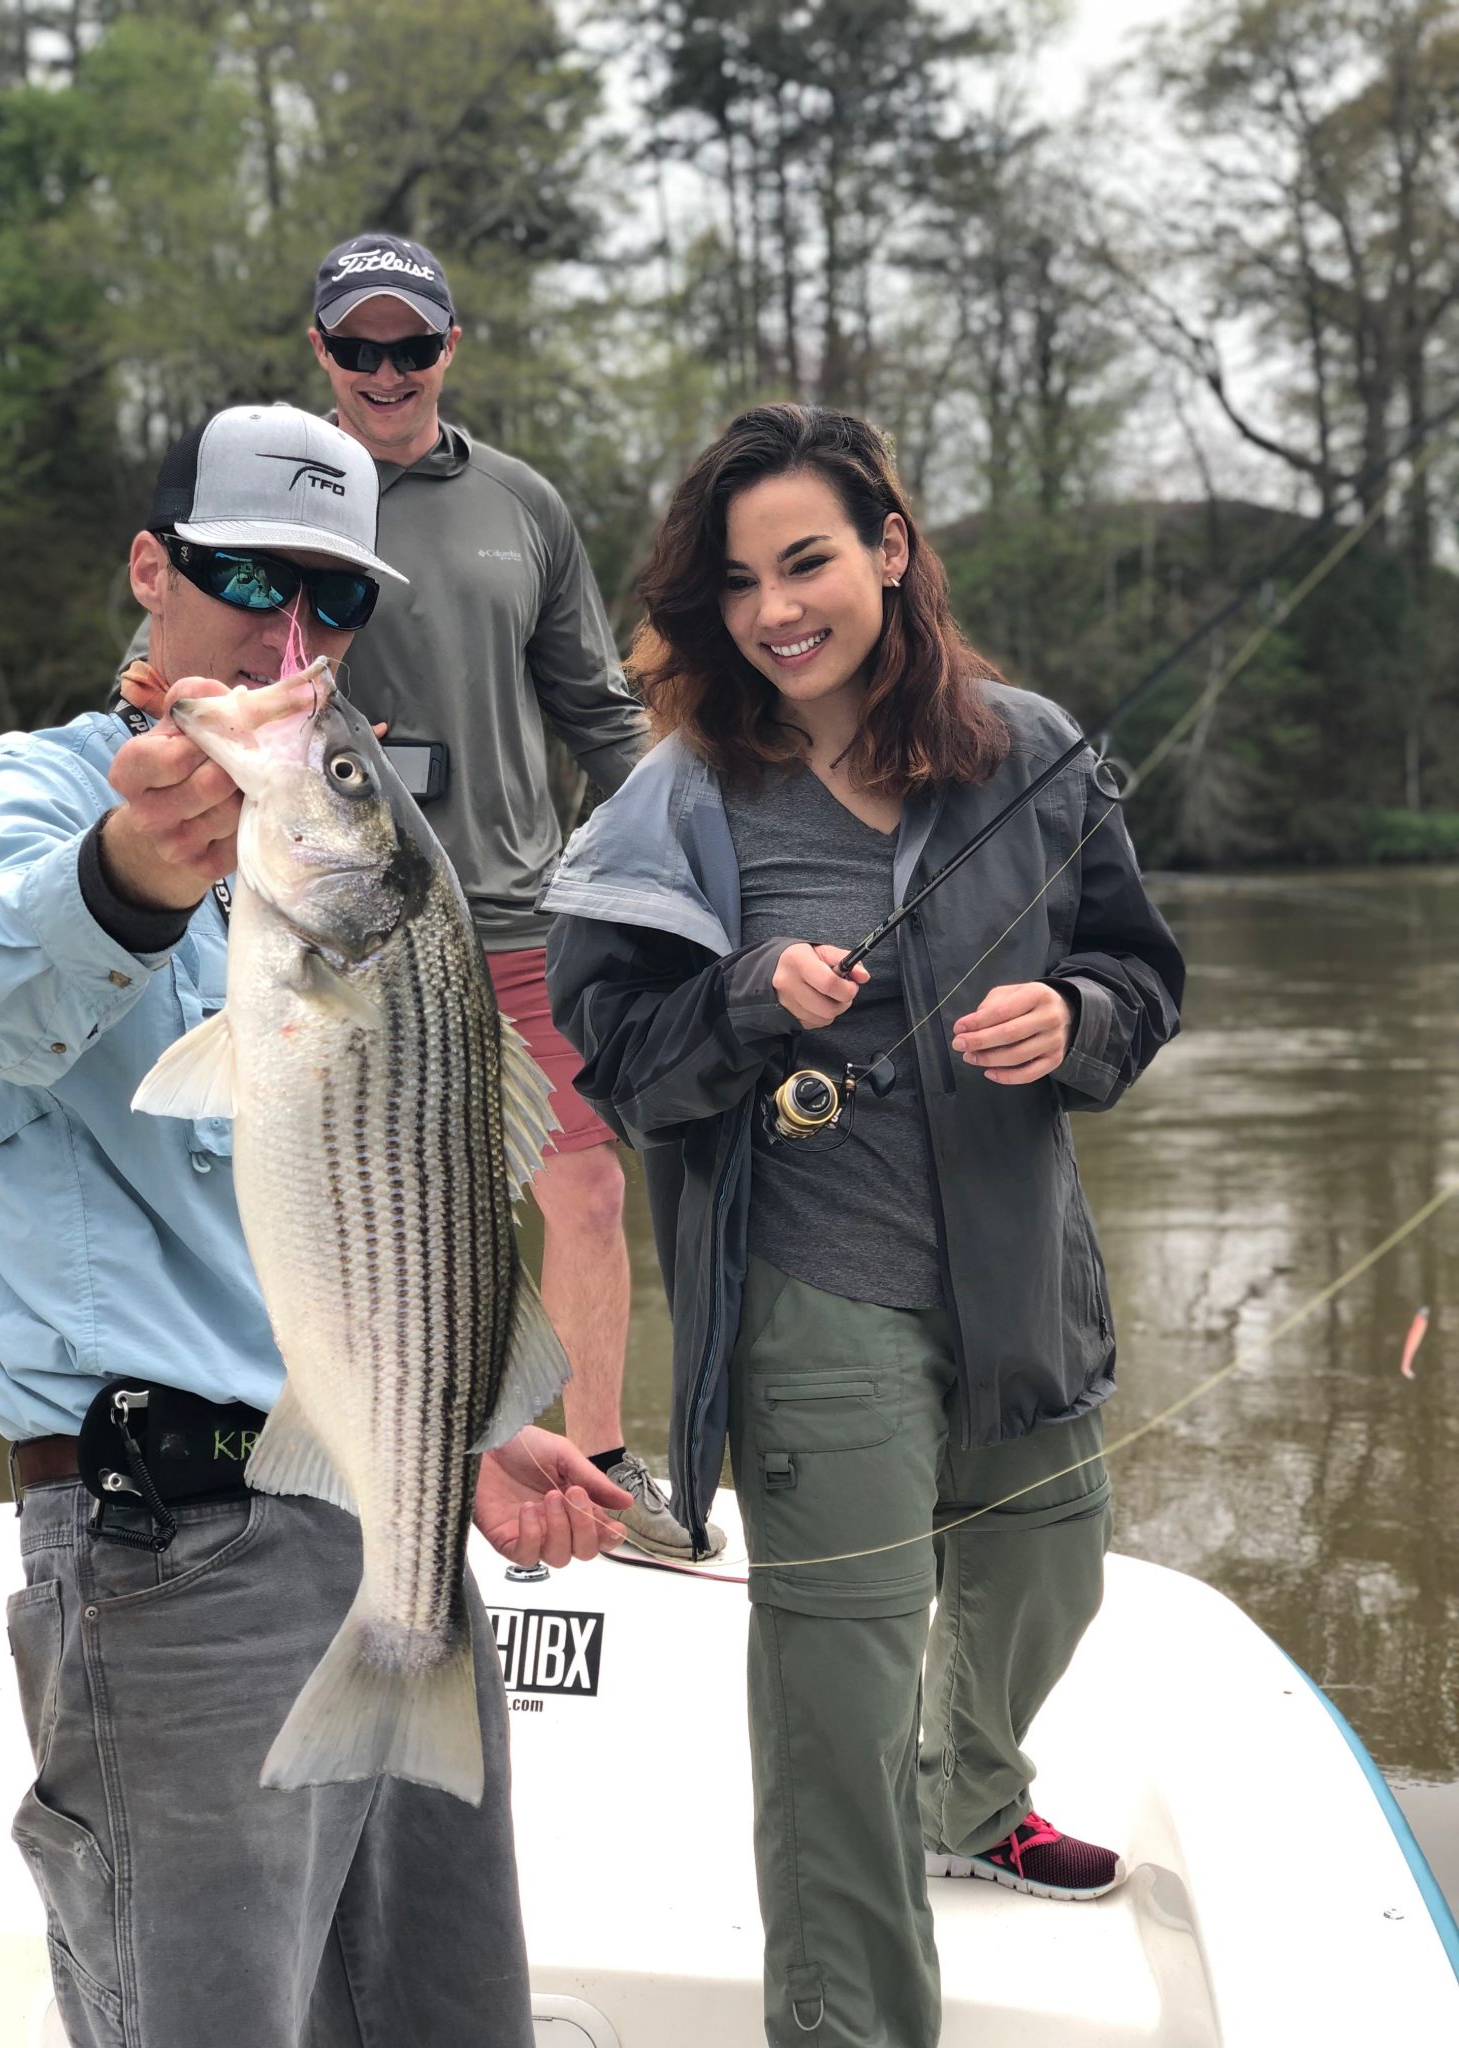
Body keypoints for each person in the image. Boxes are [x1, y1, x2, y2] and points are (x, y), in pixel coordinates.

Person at [0, 401, 632, 2048]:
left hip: (378, 1527)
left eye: (339, 601)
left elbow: (346, 1220)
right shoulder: (22, 800)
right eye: (250, 575)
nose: (291, 633)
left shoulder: (338, 881)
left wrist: (457, 1425)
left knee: (446, 2019)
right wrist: (130, 869)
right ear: (150, 569)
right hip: (168, 1559)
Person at [542, 404, 1185, 2047]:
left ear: (890, 551)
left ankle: (967, 1794)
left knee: (1050, 1574)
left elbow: (1141, 973)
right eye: (742, 582)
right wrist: (749, 997)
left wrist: (1080, 1022)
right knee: (835, 1707)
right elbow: (623, 1063)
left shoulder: (1033, 750)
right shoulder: (679, 802)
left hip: (1021, 1276)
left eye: (808, 560)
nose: (777, 609)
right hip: (810, 1298)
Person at [122, 230, 709, 1560]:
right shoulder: (283, 503)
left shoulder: (525, 505)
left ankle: (595, 1471)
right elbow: (170, 662)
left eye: (412, 343)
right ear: (322, 350)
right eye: (357, 344)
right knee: (312, 1194)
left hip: (514, 918)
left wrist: (674, 868)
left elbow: (594, 707)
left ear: (450, 346)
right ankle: (348, 1464)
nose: (386, 369)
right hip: (305, 912)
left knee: (586, 1196)